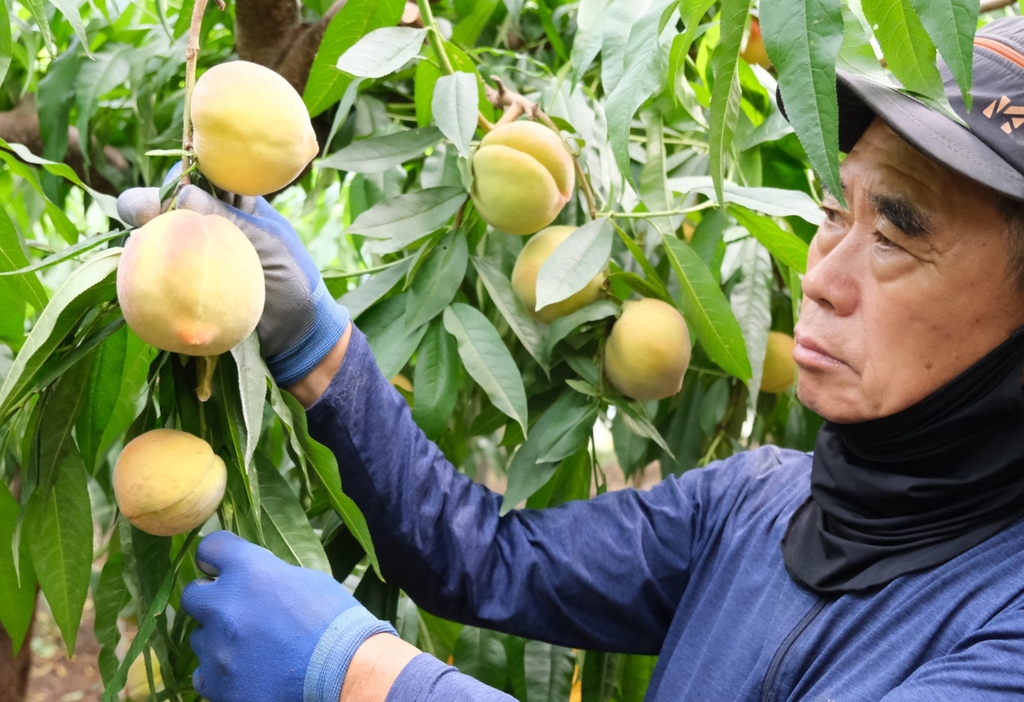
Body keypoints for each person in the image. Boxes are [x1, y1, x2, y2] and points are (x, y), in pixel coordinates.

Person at [117, 16, 1024, 702]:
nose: (820, 277)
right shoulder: (758, 504)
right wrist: (314, 342)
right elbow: (480, 559)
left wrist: (367, 676)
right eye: (833, 210)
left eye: (898, 232)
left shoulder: (1003, 631)